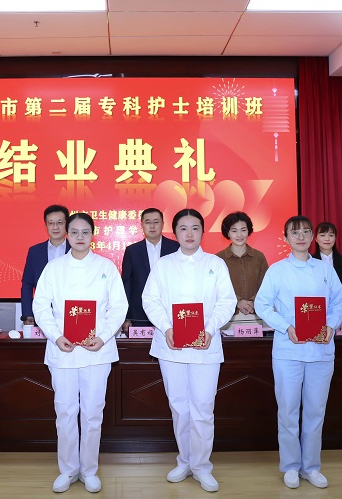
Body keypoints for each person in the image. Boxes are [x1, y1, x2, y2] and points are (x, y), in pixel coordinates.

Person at [142, 209, 237, 493]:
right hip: (171, 346)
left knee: (203, 408)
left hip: (205, 346)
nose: (189, 234)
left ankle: (202, 466)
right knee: (179, 407)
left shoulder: (215, 264)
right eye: (183, 228)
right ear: (175, 233)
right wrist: (166, 327)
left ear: (203, 231)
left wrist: (210, 329)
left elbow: (227, 301)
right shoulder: (164, 264)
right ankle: (184, 461)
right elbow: (150, 300)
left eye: (195, 228)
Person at [33, 212, 128, 494]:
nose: (79, 237)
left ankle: (89, 470)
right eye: (74, 232)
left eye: (85, 232)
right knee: (64, 411)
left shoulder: (105, 266)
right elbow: (41, 306)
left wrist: (103, 336)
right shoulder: (54, 268)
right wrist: (56, 335)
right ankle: (68, 469)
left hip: (96, 351)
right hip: (63, 350)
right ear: (66, 234)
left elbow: (119, 306)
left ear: (92, 235)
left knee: (92, 413)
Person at [254, 215, 342, 490]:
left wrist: (331, 325)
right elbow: (262, 305)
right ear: (286, 238)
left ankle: (311, 467)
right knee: (288, 410)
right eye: (295, 233)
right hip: (288, 351)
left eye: (306, 232)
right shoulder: (277, 270)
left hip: (320, 350)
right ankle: (291, 466)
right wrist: (285, 326)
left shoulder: (325, 269)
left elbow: (338, 303)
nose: (301, 237)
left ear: (312, 236)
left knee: (316, 411)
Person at [121, 207, 180, 333]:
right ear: (141, 225)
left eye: (156, 222)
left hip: (169, 312)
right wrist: (127, 317)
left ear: (163, 224)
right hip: (139, 315)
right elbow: (127, 285)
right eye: (148, 222)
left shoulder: (176, 248)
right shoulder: (132, 251)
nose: (152, 226)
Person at [214, 211, 268, 324]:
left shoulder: (259, 257)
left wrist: (253, 302)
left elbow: (266, 286)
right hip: (227, 317)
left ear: (249, 231)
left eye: (243, 230)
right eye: (234, 231)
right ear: (228, 233)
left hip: (256, 315)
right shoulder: (218, 259)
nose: (239, 235)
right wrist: (238, 302)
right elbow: (216, 289)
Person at [21, 204, 71, 326]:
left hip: (70, 313)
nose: (55, 227)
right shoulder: (35, 252)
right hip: (42, 313)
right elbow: (27, 284)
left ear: (67, 225)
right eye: (51, 223)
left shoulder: (75, 250)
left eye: (60, 222)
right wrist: (28, 313)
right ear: (46, 225)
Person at [311, 222, 342, 323]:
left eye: (331, 235)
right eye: (322, 235)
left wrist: (339, 300)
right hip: (315, 314)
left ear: (335, 238)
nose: (327, 239)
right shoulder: (309, 262)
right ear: (315, 239)